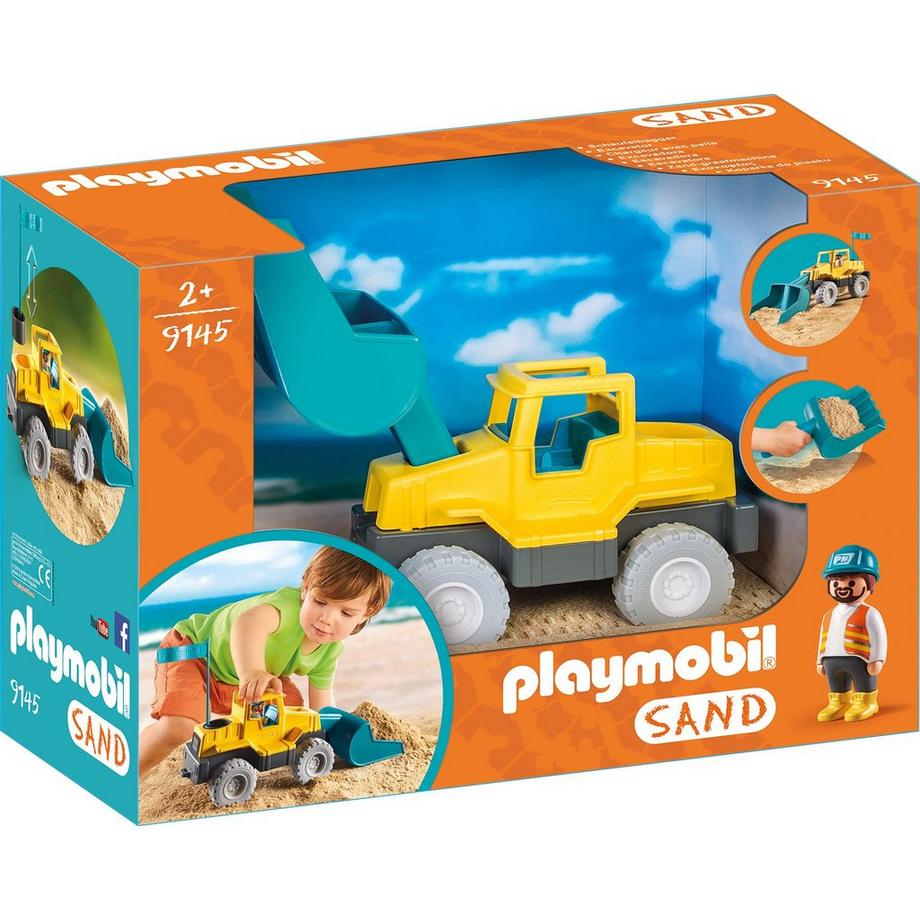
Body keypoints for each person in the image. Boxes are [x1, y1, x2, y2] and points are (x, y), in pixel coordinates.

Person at [138, 545, 391, 777]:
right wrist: (253, 671)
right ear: (305, 589)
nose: (326, 618)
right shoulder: (284, 609)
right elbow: (247, 623)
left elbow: (321, 708)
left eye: (346, 613)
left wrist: (332, 737)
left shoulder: (330, 649)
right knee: (180, 727)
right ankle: (131, 774)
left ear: (367, 613)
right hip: (194, 652)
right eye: (320, 601)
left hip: (237, 680)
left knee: (292, 710)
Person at [815, 544, 886, 723]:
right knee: (836, 684)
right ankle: (839, 702)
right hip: (831, 660)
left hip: (860, 659)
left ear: (870, 583)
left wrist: (877, 659)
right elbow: (823, 638)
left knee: (863, 682)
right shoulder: (828, 615)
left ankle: (867, 701)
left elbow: (879, 638)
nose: (842, 587)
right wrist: (820, 660)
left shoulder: (870, 613)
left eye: (852, 582)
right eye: (836, 583)